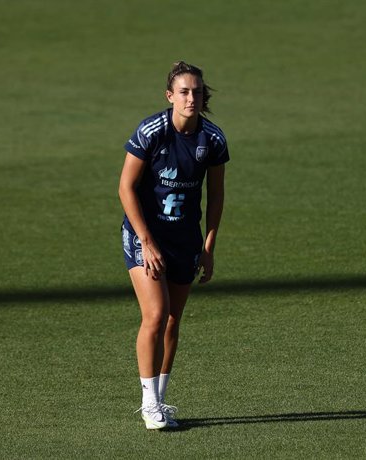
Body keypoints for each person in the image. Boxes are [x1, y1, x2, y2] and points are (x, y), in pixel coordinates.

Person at [118, 61, 229, 430]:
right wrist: (146, 242)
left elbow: (215, 197)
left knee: (171, 321)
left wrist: (209, 246)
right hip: (145, 234)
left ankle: (161, 401)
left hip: (185, 238)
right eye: (183, 91)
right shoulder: (152, 131)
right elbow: (126, 188)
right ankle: (149, 405)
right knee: (155, 313)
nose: (191, 98)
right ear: (170, 96)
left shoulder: (212, 140)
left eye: (197, 91)